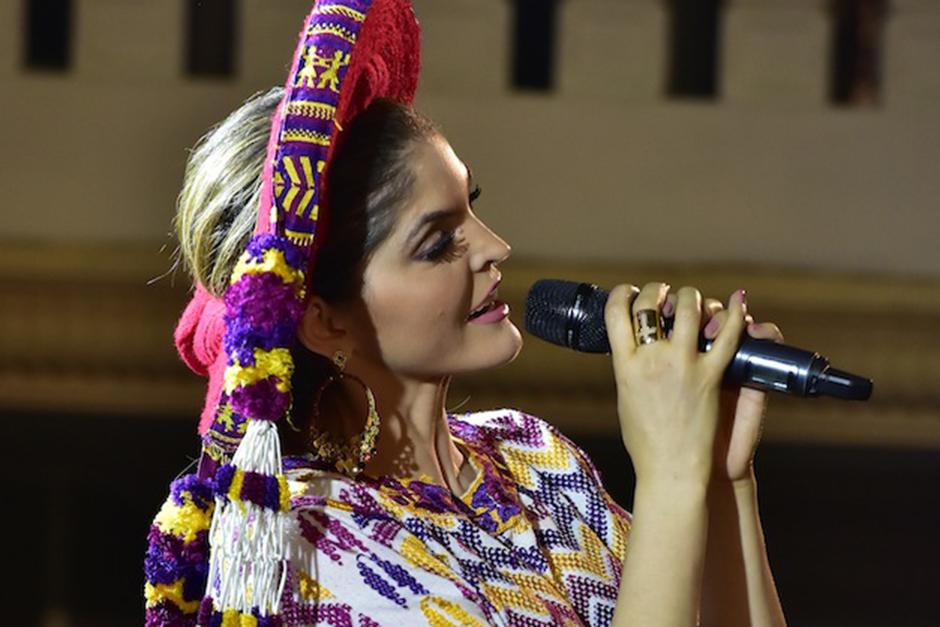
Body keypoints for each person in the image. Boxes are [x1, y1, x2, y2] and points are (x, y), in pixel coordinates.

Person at [144, 1, 787, 625]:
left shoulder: (535, 458)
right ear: (326, 322)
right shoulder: (306, 541)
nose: (495, 247)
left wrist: (720, 480)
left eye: (472, 206)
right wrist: (671, 473)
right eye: (437, 243)